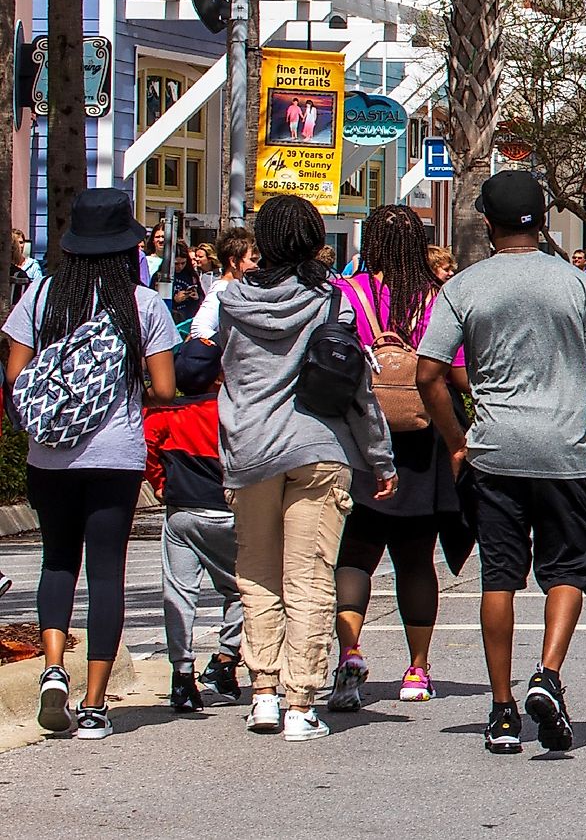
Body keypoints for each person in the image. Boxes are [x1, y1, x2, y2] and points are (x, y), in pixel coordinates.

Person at [415, 169, 586, 756]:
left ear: (488, 223)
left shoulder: (464, 288)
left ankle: (501, 710)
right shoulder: (578, 284)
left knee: (500, 576)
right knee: (568, 570)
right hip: (560, 454)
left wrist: (458, 440)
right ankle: (549, 674)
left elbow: (428, 374)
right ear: (541, 219)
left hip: (494, 452)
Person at [212, 196, 397, 742]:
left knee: (257, 574)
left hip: (250, 449)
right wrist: (380, 459)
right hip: (318, 448)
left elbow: (222, 366)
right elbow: (357, 387)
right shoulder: (331, 302)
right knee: (311, 576)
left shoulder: (229, 302)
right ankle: (301, 702)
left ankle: (263, 694)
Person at [4, 189, 181, 739]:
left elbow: (14, 377)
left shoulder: (41, 297)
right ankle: (96, 705)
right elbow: (165, 387)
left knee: (57, 561)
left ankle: (53, 667)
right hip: (115, 458)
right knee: (107, 573)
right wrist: (117, 394)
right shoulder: (142, 305)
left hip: (49, 456)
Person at [328, 205, 462, 713]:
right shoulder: (437, 297)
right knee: (415, 558)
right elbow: (456, 372)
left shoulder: (347, 293)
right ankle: (417, 668)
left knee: (356, 553)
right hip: (421, 437)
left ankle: (351, 653)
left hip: (360, 438)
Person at [150, 228, 249, 714]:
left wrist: (163, 483)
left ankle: (181, 673)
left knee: (179, 593)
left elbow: (151, 455)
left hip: (182, 511)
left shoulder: (171, 414)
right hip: (229, 510)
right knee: (243, 588)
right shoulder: (235, 410)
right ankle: (227, 659)